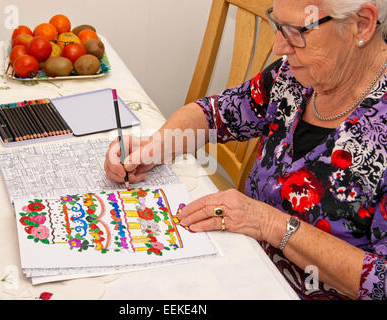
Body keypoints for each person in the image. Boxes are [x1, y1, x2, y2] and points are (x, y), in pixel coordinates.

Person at [104, 0, 387, 300]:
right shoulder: (293, 76)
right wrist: (155, 146)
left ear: (362, 24)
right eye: (278, 26)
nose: (279, 46)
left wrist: (269, 223)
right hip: (243, 269)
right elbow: (215, 114)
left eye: (296, 31)